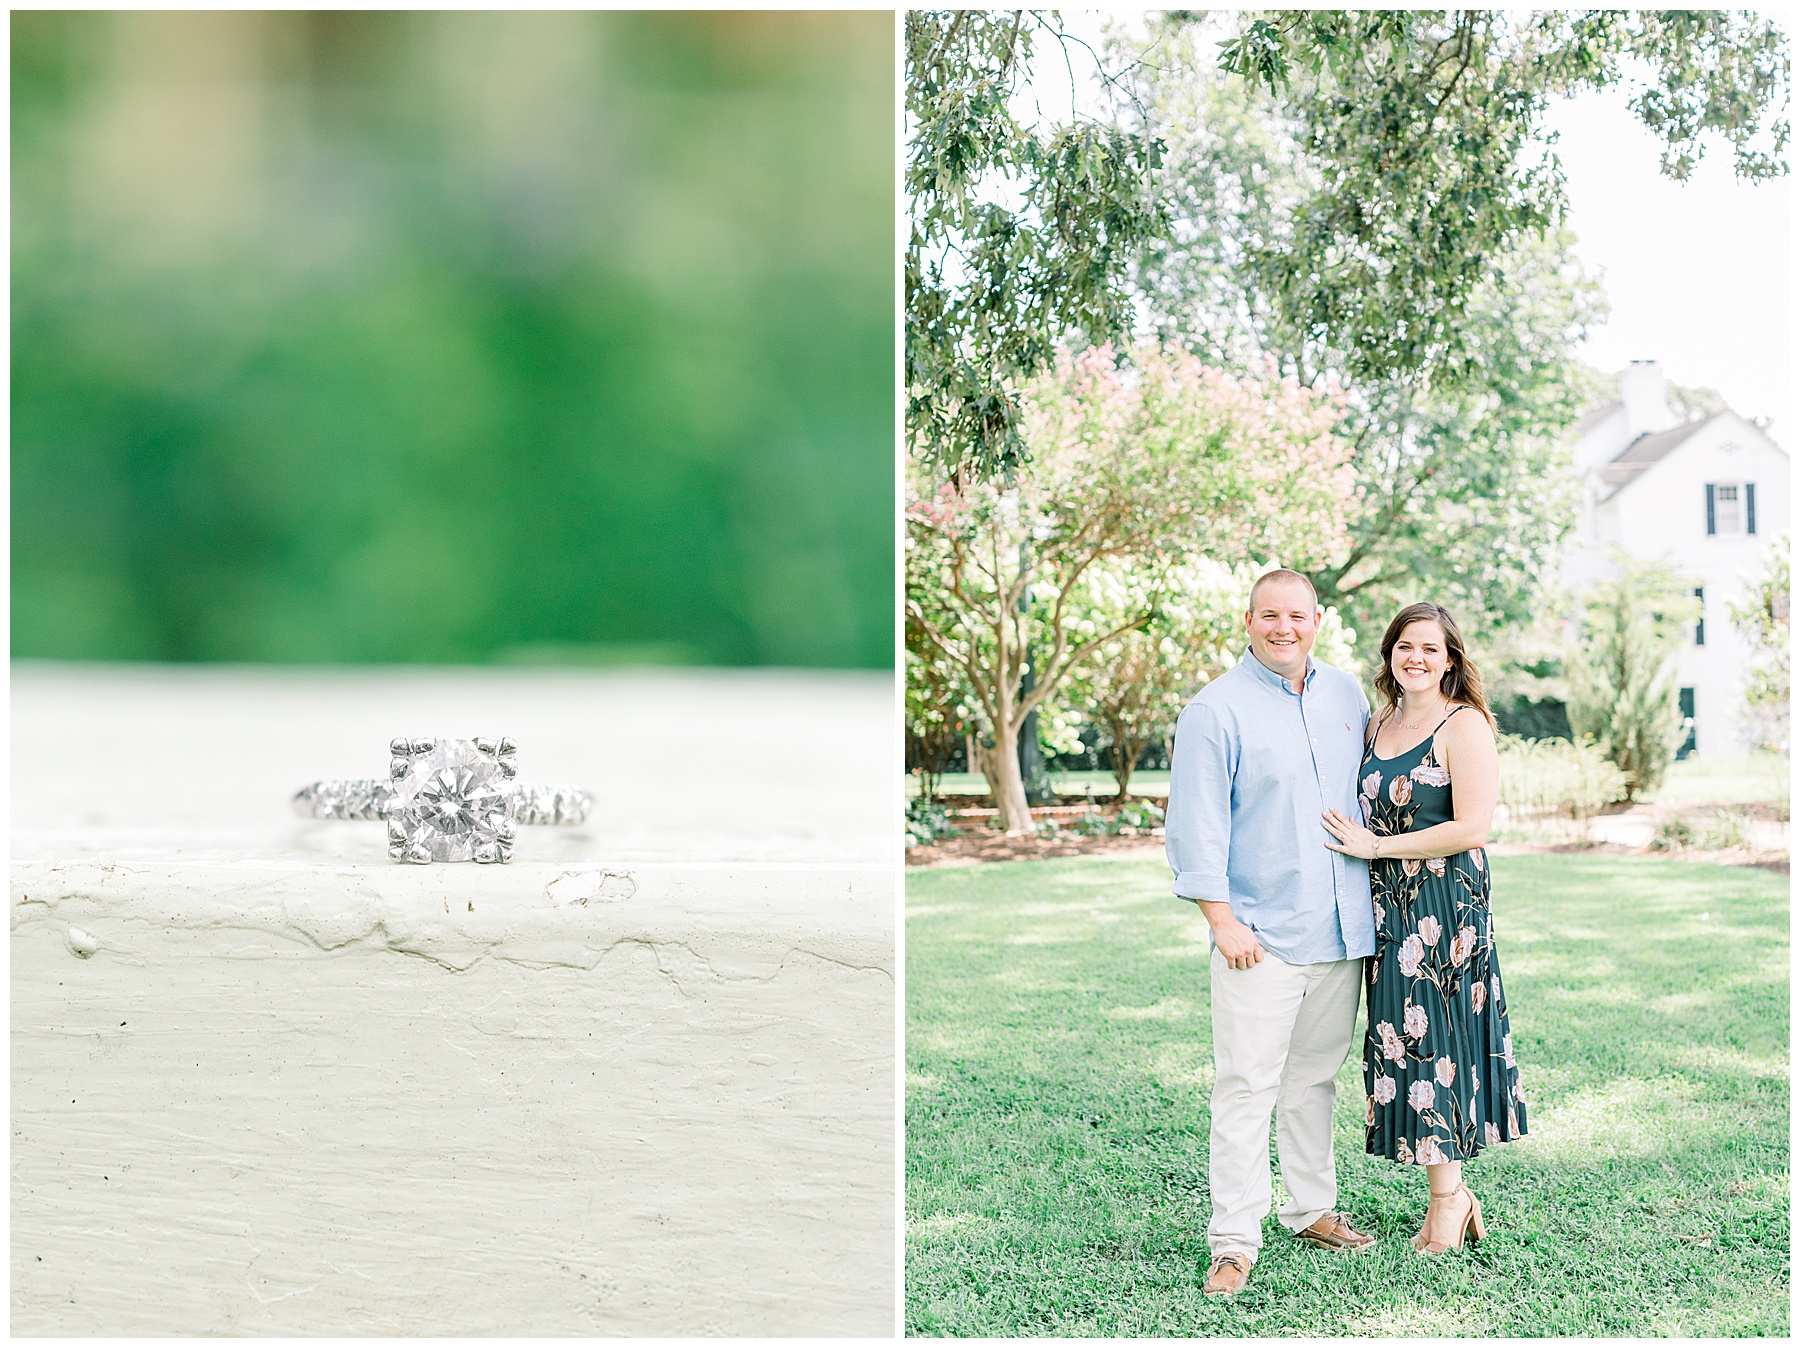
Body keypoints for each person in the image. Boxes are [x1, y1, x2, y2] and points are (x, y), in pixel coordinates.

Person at [1165, 568, 1378, 1299]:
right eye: (1268, 616)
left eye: (1296, 615)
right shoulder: (1214, 710)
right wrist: (1221, 921)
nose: (1282, 628)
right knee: (1245, 1089)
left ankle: (1311, 1208)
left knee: (1313, 1083)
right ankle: (1233, 1242)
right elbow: (1196, 822)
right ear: (1247, 620)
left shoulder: (1348, 694)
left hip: (1343, 932)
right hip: (1259, 936)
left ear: (1318, 619)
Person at [1321, 601, 1528, 1254]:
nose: (1414, 657)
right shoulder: (1379, 721)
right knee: (1403, 1049)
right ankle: (1454, 1196)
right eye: (1404, 645)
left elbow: (1473, 826)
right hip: (1389, 909)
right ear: (1389, 654)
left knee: (1434, 1050)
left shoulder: (1461, 726)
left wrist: (1373, 849)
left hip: (1445, 913)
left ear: (1450, 660)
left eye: (1429, 649)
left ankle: (1447, 1203)